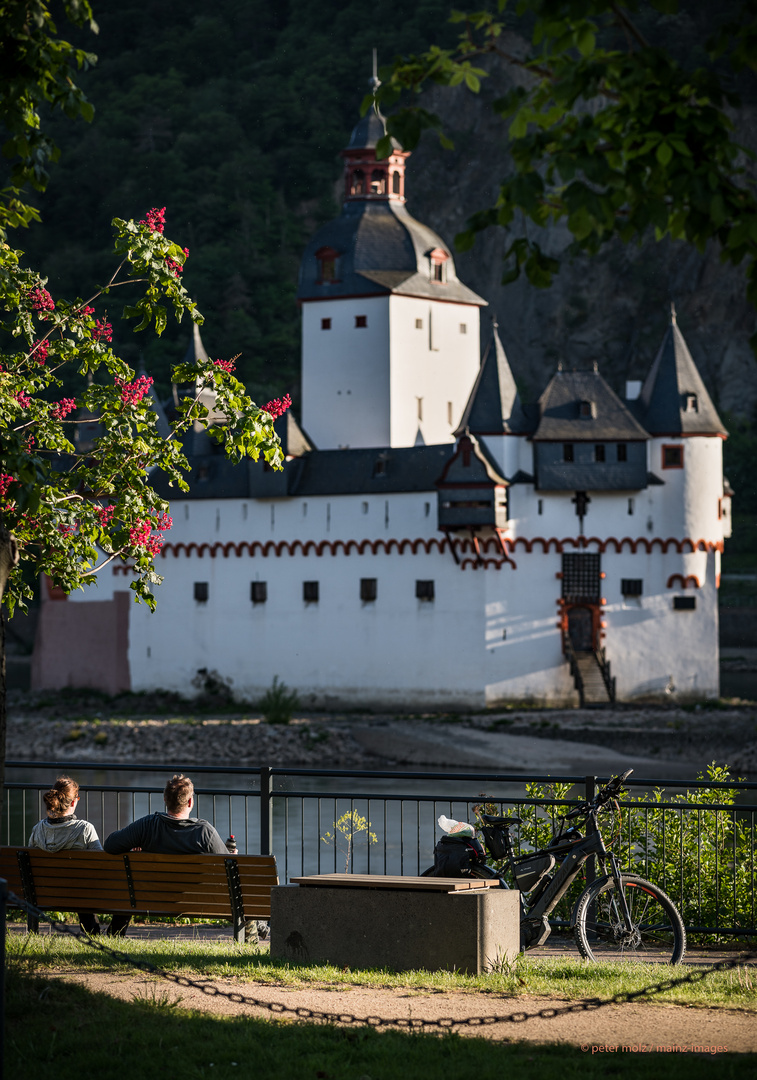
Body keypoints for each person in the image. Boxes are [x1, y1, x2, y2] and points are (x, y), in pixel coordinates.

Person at [103, 773, 227, 936]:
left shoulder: (147, 825)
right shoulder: (204, 832)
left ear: (165, 800)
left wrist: (136, 850)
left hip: (150, 898)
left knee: (129, 882)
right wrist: (232, 855)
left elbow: (110, 845)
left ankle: (115, 933)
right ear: (190, 802)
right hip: (194, 901)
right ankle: (256, 928)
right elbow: (227, 868)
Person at [28, 775, 103, 935]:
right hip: (80, 894)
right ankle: (92, 931)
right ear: (74, 801)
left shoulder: (38, 830)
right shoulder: (85, 829)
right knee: (83, 884)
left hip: (43, 893)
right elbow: (101, 864)